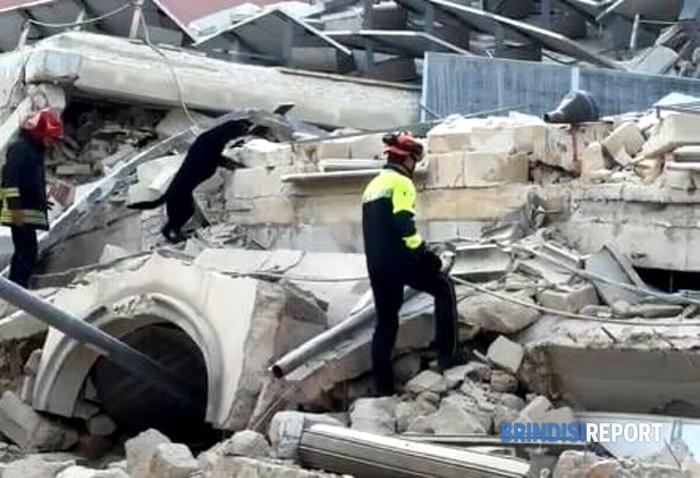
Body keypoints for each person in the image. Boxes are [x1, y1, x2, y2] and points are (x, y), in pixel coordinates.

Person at [362, 131, 461, 397]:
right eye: (414, 162)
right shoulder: (402, 184)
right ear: (408, 161)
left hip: (376, 265)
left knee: (386, 323)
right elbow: (404, 224)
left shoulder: (372, 186)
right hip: (400, 259)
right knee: (443, 287)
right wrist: (427, 256)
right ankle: (448, 357)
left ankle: (382, 389)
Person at [1, 109, 63, 287]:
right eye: (49, 136)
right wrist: (15, 209)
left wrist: (42, 202)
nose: (51, 141)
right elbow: (10, 180)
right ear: (39, 133)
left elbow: (30, 183)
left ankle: (17, 291)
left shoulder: (33, 151)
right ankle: (16, 292)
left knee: (27, 253)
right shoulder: (21, 149)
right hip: (19, 212)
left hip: (26, 211)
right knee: (25, 254)